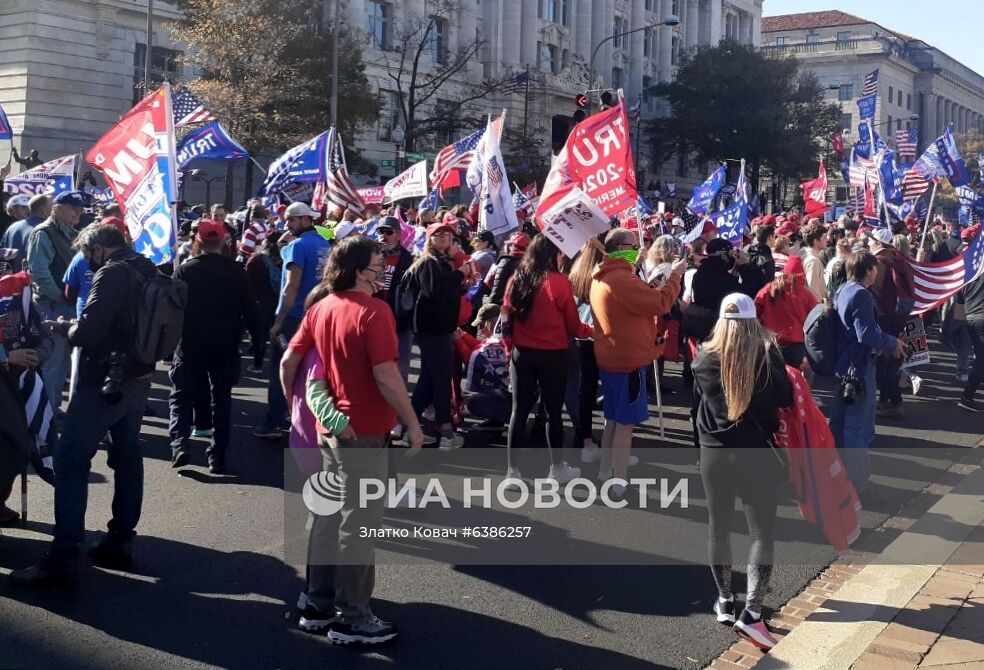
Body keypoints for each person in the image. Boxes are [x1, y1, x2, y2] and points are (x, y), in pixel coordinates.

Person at [280, 235, 423, 645]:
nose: (383, 269)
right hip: (362, 431)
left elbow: (290, 361)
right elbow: (386, 375)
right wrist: (411, 421)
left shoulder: (322, 305)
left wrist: (295, 406)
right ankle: (353, 617)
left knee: (328, 516)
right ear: (360, 269)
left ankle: (318, 603)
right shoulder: (374, 312)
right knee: (358, 522)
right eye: (378, 263)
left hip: (332, 429)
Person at [11, 224, 159, 584]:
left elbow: (90, 332)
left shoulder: (112, 273)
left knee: (71, 460)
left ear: (97, 248)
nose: (86, 262)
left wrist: (64, 328)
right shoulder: (145, 266)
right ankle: (121, 539)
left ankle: (62, 555)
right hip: (137, 376)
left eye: (87, 254)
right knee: (127, 455)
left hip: (103, 379)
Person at [692, 292, 793, 651]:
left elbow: (696, 407)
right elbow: (786, 399)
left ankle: (724, 600)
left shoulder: (703, 359)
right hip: (756, 456)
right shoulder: (767, 356)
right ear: (753, 322)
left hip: (715, 455)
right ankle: (752, 613)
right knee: (761, 534)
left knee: (718, 528)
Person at [590, 228, 685, 497]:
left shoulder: (606, 275)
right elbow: (660, 303)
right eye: (633, 244)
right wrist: (675, 276)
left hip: (612, 357)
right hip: (627, 360)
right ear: (621, 247)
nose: (639, 248)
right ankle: (618, 481)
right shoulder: (620, 278)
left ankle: (606, 472)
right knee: (625, 425)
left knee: (612, 419)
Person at [169, 221, 259, 474]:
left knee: (181, 395)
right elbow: (250, 310)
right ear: (223, 242)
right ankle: (217, 456)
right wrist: (258, 344)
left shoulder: (186, 271)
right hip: (225, 346)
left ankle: (179, 444)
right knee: (222, 400)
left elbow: (173, 310)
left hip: (190, 345)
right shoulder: (237, 272)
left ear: (198, 241)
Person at [502, 234, 591, 483]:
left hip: (522, 354)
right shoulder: (559, 282)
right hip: (552, 355)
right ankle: (557, 468)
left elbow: (506, 319)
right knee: (553, 411)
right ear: (552, 253)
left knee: (518, 412)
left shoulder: (516, 279)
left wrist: (510, 350)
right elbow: (573, 326)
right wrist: (593, 331)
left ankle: (512, 472)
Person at [829, 251, 906, 498]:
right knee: (858, 425)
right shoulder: (861, 294)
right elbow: (867, 334)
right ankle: (858, 481)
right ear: (868, 270)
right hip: (860, 366)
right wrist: (892, 342)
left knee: (840, 423)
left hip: (844, 365)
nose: (877, 272)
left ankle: (837, 473)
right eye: (874, 268)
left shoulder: (844, 289)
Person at [254, 202, 331, 439]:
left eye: (291, 220)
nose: (287, 225)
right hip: (320, 316)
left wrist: (278, 321)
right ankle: (312, 420)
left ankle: (275, 420)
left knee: (282, 369)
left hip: (295, 318)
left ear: (305, 220)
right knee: (313, 371)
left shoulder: (298, 246)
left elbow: (291, 286)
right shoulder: (325, 245)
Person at [404, 220, 467, 448]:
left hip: (439, 329)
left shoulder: (441, 262)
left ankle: (409, 425)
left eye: (447, 235)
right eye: (438, 234)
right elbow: (435, 291)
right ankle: (446, 431)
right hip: (432, 330)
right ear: (429, 239)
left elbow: (445, 292)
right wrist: (459, 274)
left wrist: (460, 281)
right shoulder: (429, 262)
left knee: (429, 378)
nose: (443, 238)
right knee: (440, 379)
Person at [26, 190, 84, 417]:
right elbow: (39, 273)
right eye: (74, 208)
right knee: (54, 362)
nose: (78, 213)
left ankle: (51, 409)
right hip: (52, 304)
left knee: (62, 363)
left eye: (80, 209)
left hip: (62, 303)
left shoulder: (69, 232)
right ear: (57, 209)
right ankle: (48, 412)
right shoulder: (44, 233)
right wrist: (62, 296)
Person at [867, 228, 915, 420]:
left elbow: (871, 287)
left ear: (878, 243)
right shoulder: (898, 259)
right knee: (890, 361)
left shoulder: (879, 262)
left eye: (871, 240)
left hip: (884, 318)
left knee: (884, 361)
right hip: (897, 317)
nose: (868, 243)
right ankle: (886, 401)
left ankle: (895, 403)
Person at [754, 255, 817, 368]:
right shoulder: (805, 295)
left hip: (771, 343)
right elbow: (815, 320)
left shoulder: (769, 290)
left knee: (775, 380)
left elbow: (755, 311)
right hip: (796, 347)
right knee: (794, 380)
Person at [456, 303, 510, 430]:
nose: (480, 329)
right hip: (511, 395)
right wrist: (462, 335)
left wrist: (457, 340)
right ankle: (496, 421)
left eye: (482, 325)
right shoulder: (504, 338)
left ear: (491, 323)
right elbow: (479, 348)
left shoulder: (499, 344)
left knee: (472, 402)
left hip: (509, 400)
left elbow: (474, 359)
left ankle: (502, 418)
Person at [373, 216, 413, 381]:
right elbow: (376, 283)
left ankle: (400, 399)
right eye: (381, 231)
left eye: (388, 232)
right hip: (376, 317)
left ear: (398, 235)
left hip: (400, 318)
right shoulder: (373, 256)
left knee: (400, 365)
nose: (384, 235)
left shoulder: (407, 258)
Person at [244, 231, 283, 374]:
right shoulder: (283, 260)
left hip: (259, 302)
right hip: (278, 301)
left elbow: (247, 281)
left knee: (258, 334)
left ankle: (257, 364)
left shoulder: (256, 260)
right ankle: (278, 364)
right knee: (278, 334)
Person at [1, 194, 51, 272]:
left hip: (13, 281)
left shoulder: (12, 228)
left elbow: (4, 258)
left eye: (26, 207)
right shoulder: (43, 230)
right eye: (52, 209)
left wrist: (4, 280)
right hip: (30, 281)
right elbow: (37, 266)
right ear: (43, 211)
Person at [958, 270, 984, 412]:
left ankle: (967, 396)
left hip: (970, 317)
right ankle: (967, 397)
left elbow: (959, 297)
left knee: (980, 357)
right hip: (981, 317)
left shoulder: (971, 273)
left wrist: (959, 322)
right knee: (981, 359)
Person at [484, 232, 529, 305]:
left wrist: (488, 306)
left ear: (512, 246)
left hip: (500, 306)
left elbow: (496, 292)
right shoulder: (527, 263)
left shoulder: (506, 262)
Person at [800, 222, 828, 303]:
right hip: (814, 308)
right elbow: (813, 289)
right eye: (825, 237)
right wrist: (820, 308)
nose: (828, 239)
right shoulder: (813, 260)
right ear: (816, 241)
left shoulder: (805, 253)